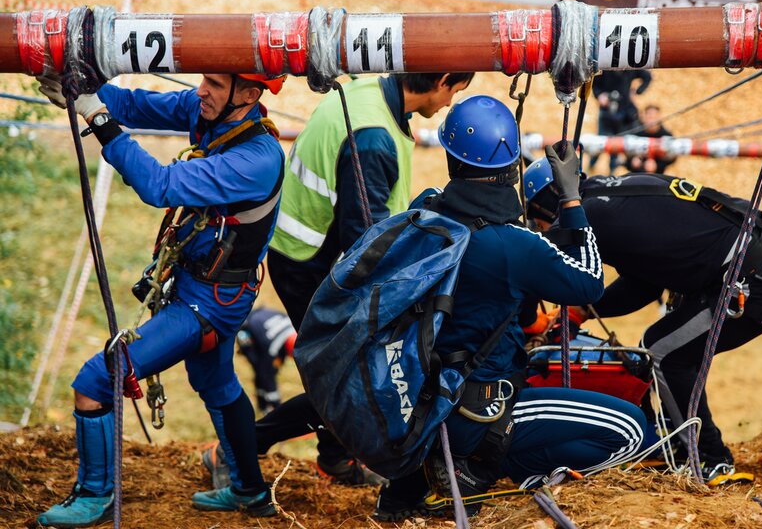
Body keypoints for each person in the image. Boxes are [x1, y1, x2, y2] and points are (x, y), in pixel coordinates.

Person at [375, 95, 646, 521]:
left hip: (420, 401)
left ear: (451, 161)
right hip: (479, 410)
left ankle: (443, 471)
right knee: (632, 428)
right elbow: (590, 282)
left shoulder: (425, 211)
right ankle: (478, 468)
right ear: (510, 167)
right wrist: (572, 199)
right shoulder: (514, 244)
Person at [34, 71, 287, 525]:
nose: (201, 91)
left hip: (212, 304)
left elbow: (159, 186)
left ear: (248, 95)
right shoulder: (210, 112)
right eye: (204, 80)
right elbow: (132, 104)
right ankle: (250, 490)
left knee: (96, 380)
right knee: (217, 384)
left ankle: (95, 496)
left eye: (214, 84)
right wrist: (77, 89)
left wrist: (97, 116)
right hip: (202, 287)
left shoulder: (257, 158)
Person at [522, 162, 762, 482]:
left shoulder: (586, 217)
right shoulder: (610, 194)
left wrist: (557, 313)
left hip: (755, 276)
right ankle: (677, 438)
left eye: (537, 219)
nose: (541, 227)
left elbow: (542, 273)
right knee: (660, 342)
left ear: (546, 205)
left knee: (666, 353)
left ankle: (710, 458)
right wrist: (581, 312)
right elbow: (644, 282)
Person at [255, 72, 473, 485]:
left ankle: (335, 458)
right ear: (441, 80)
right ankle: (243, 446)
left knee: (341, 368)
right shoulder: (373, 140)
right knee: (342, 372)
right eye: (455, 92)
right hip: (307, 260)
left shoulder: (371, 92)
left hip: (304, 245)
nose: (449, 104)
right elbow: (366, 244)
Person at [235, 307, 297, 415]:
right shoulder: (272, 348)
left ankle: (263, 402)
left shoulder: (293, 328)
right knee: (260, 369)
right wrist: (277, 404)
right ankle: (263, 404)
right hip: (246, 331)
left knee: (268, 370)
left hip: (261, 317)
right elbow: (267, 375)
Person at [590, 69, 652, 175]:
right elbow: (594, 84)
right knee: (601, 142)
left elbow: (647, 76)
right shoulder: (605, 68)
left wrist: (638, 91)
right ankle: (591, 166)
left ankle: (612, 173)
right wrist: (600, 95)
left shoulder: (629, 68)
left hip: (624, 111)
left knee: (617, 143)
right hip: (607, 111)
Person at [626, 104, 675, 174]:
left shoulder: (666, 136)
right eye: (649, 117)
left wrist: (657, 165)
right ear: (644, 118)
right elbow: (625, 155)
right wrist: (632, 162)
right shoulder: (636, 133)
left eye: (654, 117)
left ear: (659, 118)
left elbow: (672, 158)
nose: (652, 121)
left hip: (658, 176)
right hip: (636, 175)